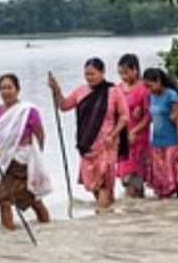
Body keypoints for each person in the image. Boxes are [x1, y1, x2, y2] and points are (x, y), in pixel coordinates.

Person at [48, 58, 129, 212]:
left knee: (104, 181)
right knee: (93, 184)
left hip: (107, 144)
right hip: (87, 144)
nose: (89, 77)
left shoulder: (113, 91)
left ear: (102, 73)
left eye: (93, 74)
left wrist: (113, 134)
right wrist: (56, 90)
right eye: (86, 74)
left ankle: (101, 215)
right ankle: (107, 210)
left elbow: (125, 116)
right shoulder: (81, 91)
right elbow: (64, 106)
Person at [0, 73, 51, 227]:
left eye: (9, 87)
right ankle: (9, 235)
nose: (6, 91)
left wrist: (37, 159)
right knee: (4, 200)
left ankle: (47, 227)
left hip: (24, 160)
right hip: (5, 160)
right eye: (2, 88)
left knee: (32, 198)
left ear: (17, 89)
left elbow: (40, 134)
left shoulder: (28, 111)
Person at [143, 68, 178, 199]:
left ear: (159, 81)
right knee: (161, 183)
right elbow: (150, 118)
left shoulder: (171, 96)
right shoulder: (151, 97)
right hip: (157, 144)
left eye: (150, 85)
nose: (149, 89)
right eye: (146, 86)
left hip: (172, 143)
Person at [116, 54, 151, 198]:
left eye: (126, 72)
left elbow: (149, 116)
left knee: (134, 178)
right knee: (126, 178)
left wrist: (135, 131)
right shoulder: (118, 89)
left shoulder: (144, 89)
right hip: (122, 138)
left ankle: (135, 213)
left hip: (138, 140)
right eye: (120, 73)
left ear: (135, 69)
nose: (123, 76)